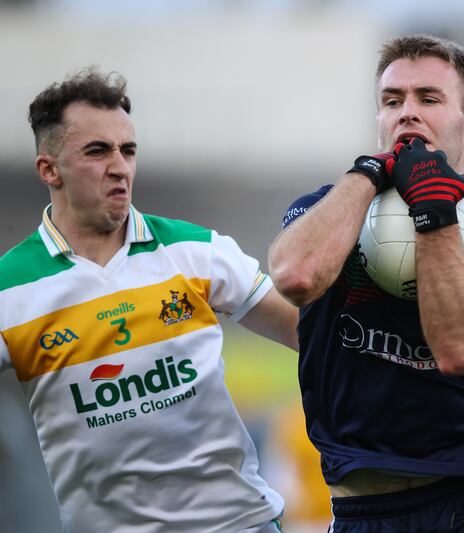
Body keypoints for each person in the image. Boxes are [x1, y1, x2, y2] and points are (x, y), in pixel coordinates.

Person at [268, 34, 464, 532]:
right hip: (369, 511)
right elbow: (296, 276)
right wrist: (368, 174)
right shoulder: (327, 208)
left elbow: (460, 349)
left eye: (428, 99)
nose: (407, 113)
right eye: (392, 101)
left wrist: (434, 213)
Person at [0, 68, 299, 532]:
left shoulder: (196, 250)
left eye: (128, 150)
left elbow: (310, 335)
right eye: (97, 151)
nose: (119, 165)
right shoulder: (11, 289)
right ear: (49, 169)